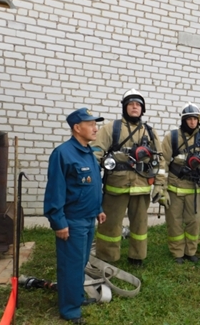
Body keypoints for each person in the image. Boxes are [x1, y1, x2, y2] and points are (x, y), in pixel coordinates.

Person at [44, 108, 107, 324]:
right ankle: (70, 310)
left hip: (88, 219)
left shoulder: (88, 152)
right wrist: (59, 222)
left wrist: (98, 208)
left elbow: (93, 186)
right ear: (77, 128)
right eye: (90, 124)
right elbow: (55, 191)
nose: (95, 128)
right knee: (71, 265)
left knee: (80, 263)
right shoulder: (63, 153)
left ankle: (76, 297)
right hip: (72, 221)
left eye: (95, 124)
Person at [93, 89, 166, 267]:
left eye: (138, 104)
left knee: (140, 225)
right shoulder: (111, 128)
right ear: (125, 107)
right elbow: (96, 152)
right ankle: (108, 256)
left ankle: (137, 256)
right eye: (131, 104)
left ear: (143, 109)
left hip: (141, 187)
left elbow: (160, 160)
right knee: (110, 224)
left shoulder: (149, 132)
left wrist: (159, 186)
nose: (134, 107)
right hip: (115, 187)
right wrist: (91, 180)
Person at [161, 102, 200, 264]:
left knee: (195, 221)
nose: (192, 122)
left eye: (195, 119)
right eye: (189, 119)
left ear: (199, 120)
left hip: (193, 190)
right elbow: (163, 163)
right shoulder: (172, 137)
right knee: (174, 221)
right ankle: (177, 252)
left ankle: (190, 251)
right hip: (174, 187)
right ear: (183, 120)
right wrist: (161, 188)